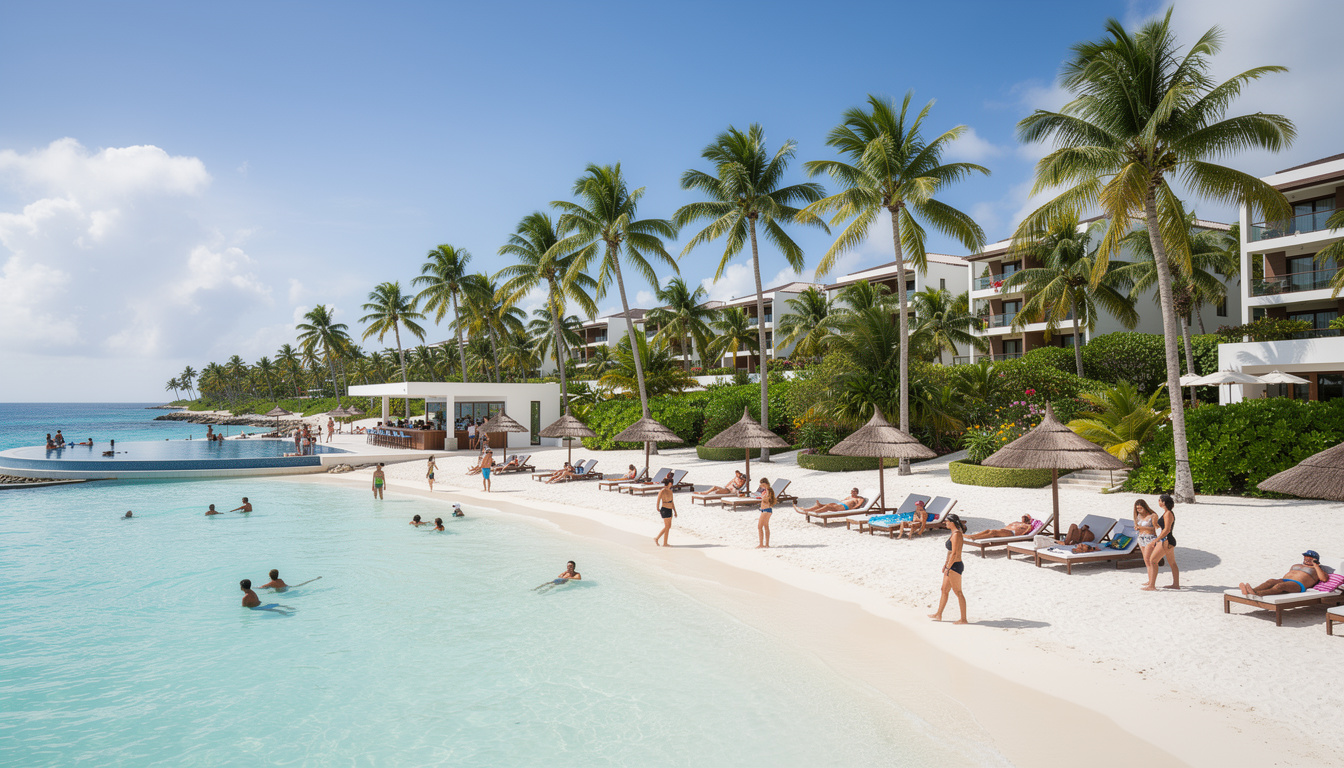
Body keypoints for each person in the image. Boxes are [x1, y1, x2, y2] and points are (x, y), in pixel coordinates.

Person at [930, 513, 969, 624]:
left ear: (952, 522)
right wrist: (945, 564)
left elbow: (955, 553)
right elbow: (950, 551)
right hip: (951, 565)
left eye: (946, 521)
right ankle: (938, 614)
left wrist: (949, 567)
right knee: (944, 590)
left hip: (955, 566)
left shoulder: (956, 534)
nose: (945, 523)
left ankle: (963, 619)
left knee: (958, 592)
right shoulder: (953, 533)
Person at [1239, 551, 1328, 596]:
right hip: (1285, 580)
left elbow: (1324, 579)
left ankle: (1257, 594)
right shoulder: (1297, 565)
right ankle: (1251, 591)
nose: (1307, 559)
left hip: (1298, 585)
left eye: (1310, 557)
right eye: (1306, 556)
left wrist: (1316, 565)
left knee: (1279, 586)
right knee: (1271, 581)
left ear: (1315, 559)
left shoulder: (1317, 569)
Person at [1134, 499, 1163, 590]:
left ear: (1145, 507)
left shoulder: (1153, 515)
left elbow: (1154, 528)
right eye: (1137, 509)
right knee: (1146, 561)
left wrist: (1141, 527)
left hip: (1150, 538)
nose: (1139, 510)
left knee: (1149, 560)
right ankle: (1150, 580)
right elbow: (1137, 526)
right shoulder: (1138, 516)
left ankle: (1152, 583)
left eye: (1141, 508)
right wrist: (1137, 527)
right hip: (1141, 538)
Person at [1153, 493, 1181, 589]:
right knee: (1172, 563)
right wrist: (1155, 523)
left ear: (1164, 502)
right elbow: (1163, 527)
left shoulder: (1168, 513)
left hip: (1167, 540)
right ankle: (1176, 584)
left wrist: (1156, 540)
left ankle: (1152, 585)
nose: (1158, 502)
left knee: (1153, 561)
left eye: (1160, 500)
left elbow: (1167, 530)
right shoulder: (1166, 512)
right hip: (1168, 540)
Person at [793, 488, 865, 515]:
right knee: (824, 505)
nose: (853, 493)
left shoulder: (859, 498)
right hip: (839, 504)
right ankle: (806, 510)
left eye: (854, 492)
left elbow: (858, 505)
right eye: (852, 491)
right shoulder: (849, 497)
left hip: (844, 507)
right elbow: (842, 500)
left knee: (828, 507)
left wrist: (852, 510)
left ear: (857, 493)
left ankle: (813, 512)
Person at [966, 515, 1035, 540]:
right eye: (1023, 517)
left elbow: (1025, 532)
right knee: (989, 531)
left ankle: (975, 537)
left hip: (1012, 533)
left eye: (1025, 517)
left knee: (993, 532)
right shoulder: (1017, 522)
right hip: (1006, 530)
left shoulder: (1028, 526)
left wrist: (1020, 537)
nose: (1023, 518)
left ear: (1028, 519)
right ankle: (973, 536)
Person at [654, 476, 676, 547]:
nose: (672, 484)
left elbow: (672, 502)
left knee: (668, 526)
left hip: (670, 509)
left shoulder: (670, 491)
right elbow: (658, 499)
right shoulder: (662, 491)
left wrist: (675, 511)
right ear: (669, 483)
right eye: (671, 483)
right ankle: (664, 542)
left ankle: (658, 539)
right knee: (667, 526)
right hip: (665, 509)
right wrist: (657, 507)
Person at [756, 477, 777, 549]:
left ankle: (761, 544)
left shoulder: (768, 490)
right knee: (765, 526)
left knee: (759, 527)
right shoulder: (767, 490)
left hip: (765, 510)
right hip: (767, 510)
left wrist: (762, 498)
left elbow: (768, 498)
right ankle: (766, 544)